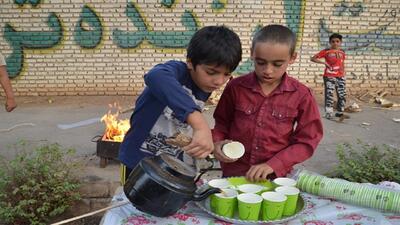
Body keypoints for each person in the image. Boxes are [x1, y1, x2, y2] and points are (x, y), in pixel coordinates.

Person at [119, 25, 242, 184]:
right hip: (138, 162)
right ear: (190, 62)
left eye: (227, 74)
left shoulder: (204, 86)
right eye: (211, 72)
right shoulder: (176, 72)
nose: (219, 81)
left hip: (171, 165)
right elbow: (155, 76)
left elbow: (181, 129)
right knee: (133, 205)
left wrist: (211, 146)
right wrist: (199, 122)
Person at [212, 24, 323, 182]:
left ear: (292, 58)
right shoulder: (236, 87)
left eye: (277, 64)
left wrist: (275, 164)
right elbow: (221, 124)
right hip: (234, 171)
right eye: (261, 62)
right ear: (252, 54)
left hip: (275, 176)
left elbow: (308, 140)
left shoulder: (301, 94)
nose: (268, 71)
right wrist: (217, 144)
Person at [311, 33, 346, 119]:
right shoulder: (326, 51)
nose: (335, 43)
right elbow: (313, 58)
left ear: (341, 42)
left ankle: (340, 111)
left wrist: (343, 73)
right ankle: (329, 113)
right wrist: (324, 63)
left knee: (342, 94)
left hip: (341, 76)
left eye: (337, 41)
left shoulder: (342, 52)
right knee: (329, 94)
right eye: (333, 41)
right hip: (329, 76)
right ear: (330, 42)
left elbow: (342, 63)